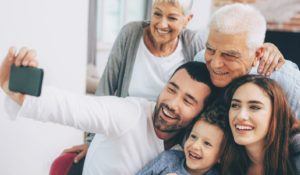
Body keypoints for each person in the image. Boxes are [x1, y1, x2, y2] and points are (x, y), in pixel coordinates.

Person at [0, 48, 215, 175]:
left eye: (188, 101)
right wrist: (21, 95)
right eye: (171, 89)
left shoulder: (191, 148)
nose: (172, 103)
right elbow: (74, 107)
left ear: (200, 113)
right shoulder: (129, 114)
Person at [194, 3, 300, 118]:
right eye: (210, 49)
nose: (215, 64)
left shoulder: (288, 82)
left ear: (257, 54)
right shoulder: (200, 61)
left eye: (229, 55)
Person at [221, 75, 300, 175]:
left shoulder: (296, 156)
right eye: (235, 105)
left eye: (254, 107)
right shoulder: (226, 157)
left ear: (276, 113)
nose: (241, 116)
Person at [136, 100, 228, 175]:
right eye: (193, 136)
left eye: (207, 143)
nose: (195, 146)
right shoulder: (168, 159)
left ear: (220, 156)